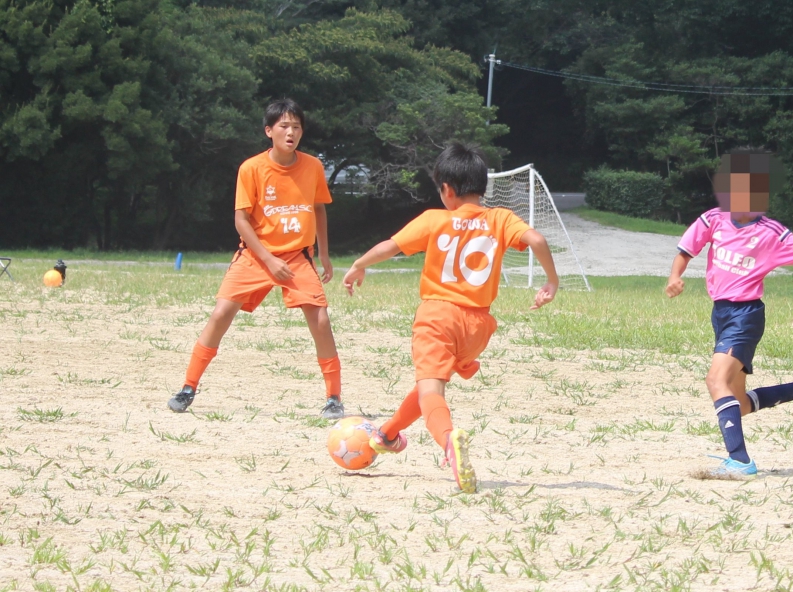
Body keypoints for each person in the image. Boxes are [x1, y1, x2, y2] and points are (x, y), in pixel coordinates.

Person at [343, 143, 559, 492]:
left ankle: (448, 441)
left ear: (446, 189)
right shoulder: (501, 218)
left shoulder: (435, 219)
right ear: (482, 186)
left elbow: (391, 246)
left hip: (437, 317)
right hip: (477, 328)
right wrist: (551, 280)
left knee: (431, 390)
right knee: (428, 386)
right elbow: (536, 238)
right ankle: (387, 434)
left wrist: (358, 264)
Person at [168, 99, 345, 419]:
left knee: (320, 320)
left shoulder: (313, 166)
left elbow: (319, 208)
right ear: (268, 131)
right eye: (284, 126)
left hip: (297, 256)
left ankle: (334, 397)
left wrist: (324, 253)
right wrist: (268, 259)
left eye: (297, 127)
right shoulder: (251, 168)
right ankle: (188, 387)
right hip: (255, 255)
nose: (291, 133)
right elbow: (241, 220)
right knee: (221, 313)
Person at [666, 149, 793, 477]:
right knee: (738, 403)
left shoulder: (771, 233)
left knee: (715, 380)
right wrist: (674, 277)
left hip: (746, 315)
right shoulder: (714, 219)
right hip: (721, 313)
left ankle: (740, 461)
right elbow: (686, 250)